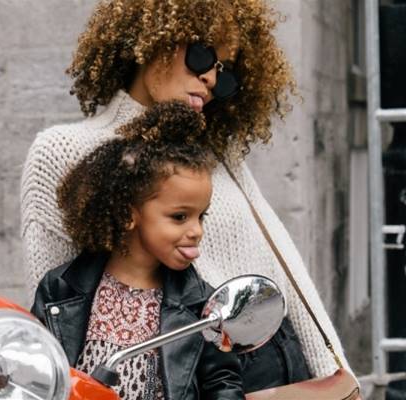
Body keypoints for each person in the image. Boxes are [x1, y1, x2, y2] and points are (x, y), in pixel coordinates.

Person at [21, 0, 351, 392]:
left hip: (271, 357)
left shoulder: (216, 155)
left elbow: (283, 263)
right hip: (178, 372)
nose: (211, 78)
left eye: (225, 73)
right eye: (202, 55)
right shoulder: (64, 151)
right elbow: (59, 310)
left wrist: (336, 369)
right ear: (156, 37)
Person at [31, 102, 244, 400]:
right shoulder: (62, 289)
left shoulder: (203, 307)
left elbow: (223, 384)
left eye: (201, 216)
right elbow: (34, 376)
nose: (197, 230)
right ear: (128, 214)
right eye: (180, 216)